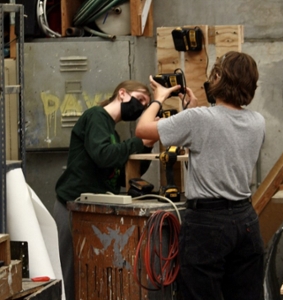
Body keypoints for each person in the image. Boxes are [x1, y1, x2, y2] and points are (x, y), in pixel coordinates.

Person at [135, 51, 265, 300]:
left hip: (207, 223)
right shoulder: (257, 121)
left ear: (217, 77)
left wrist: (159, 99)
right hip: (246, 220)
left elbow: (143, 130)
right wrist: (193, 110)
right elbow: (220, 133)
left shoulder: (198, 119)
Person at [53, 80, 158, 300]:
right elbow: (104, 156)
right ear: (122, 93)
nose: (139, 107)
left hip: (90, 210)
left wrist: (147, 144)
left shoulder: (113, 134)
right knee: (72, 276)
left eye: (145, 104)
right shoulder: (96, 117)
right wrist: (139, 141)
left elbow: (120, 177)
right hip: (72, 206)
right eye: (139, 99)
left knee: (91, 275)